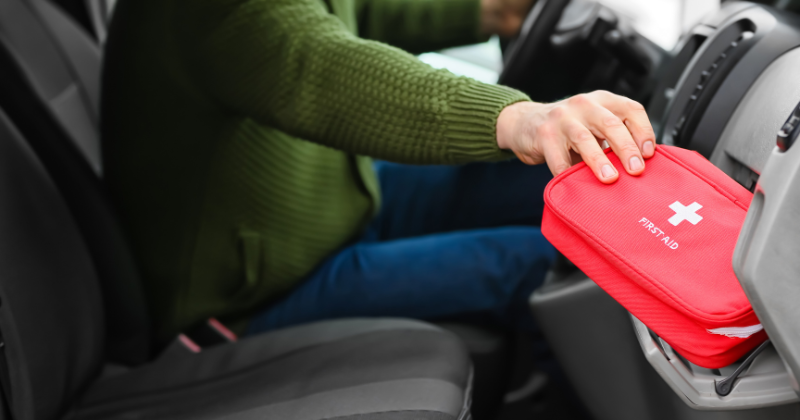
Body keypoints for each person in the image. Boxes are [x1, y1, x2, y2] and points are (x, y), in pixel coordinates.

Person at [102, 0, 656, 344]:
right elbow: (325, 74)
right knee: (548, 266)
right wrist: (517, 118)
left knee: (549, 187)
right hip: (247, 299)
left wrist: (490, 8)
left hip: (332, 203)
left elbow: (356, 8)